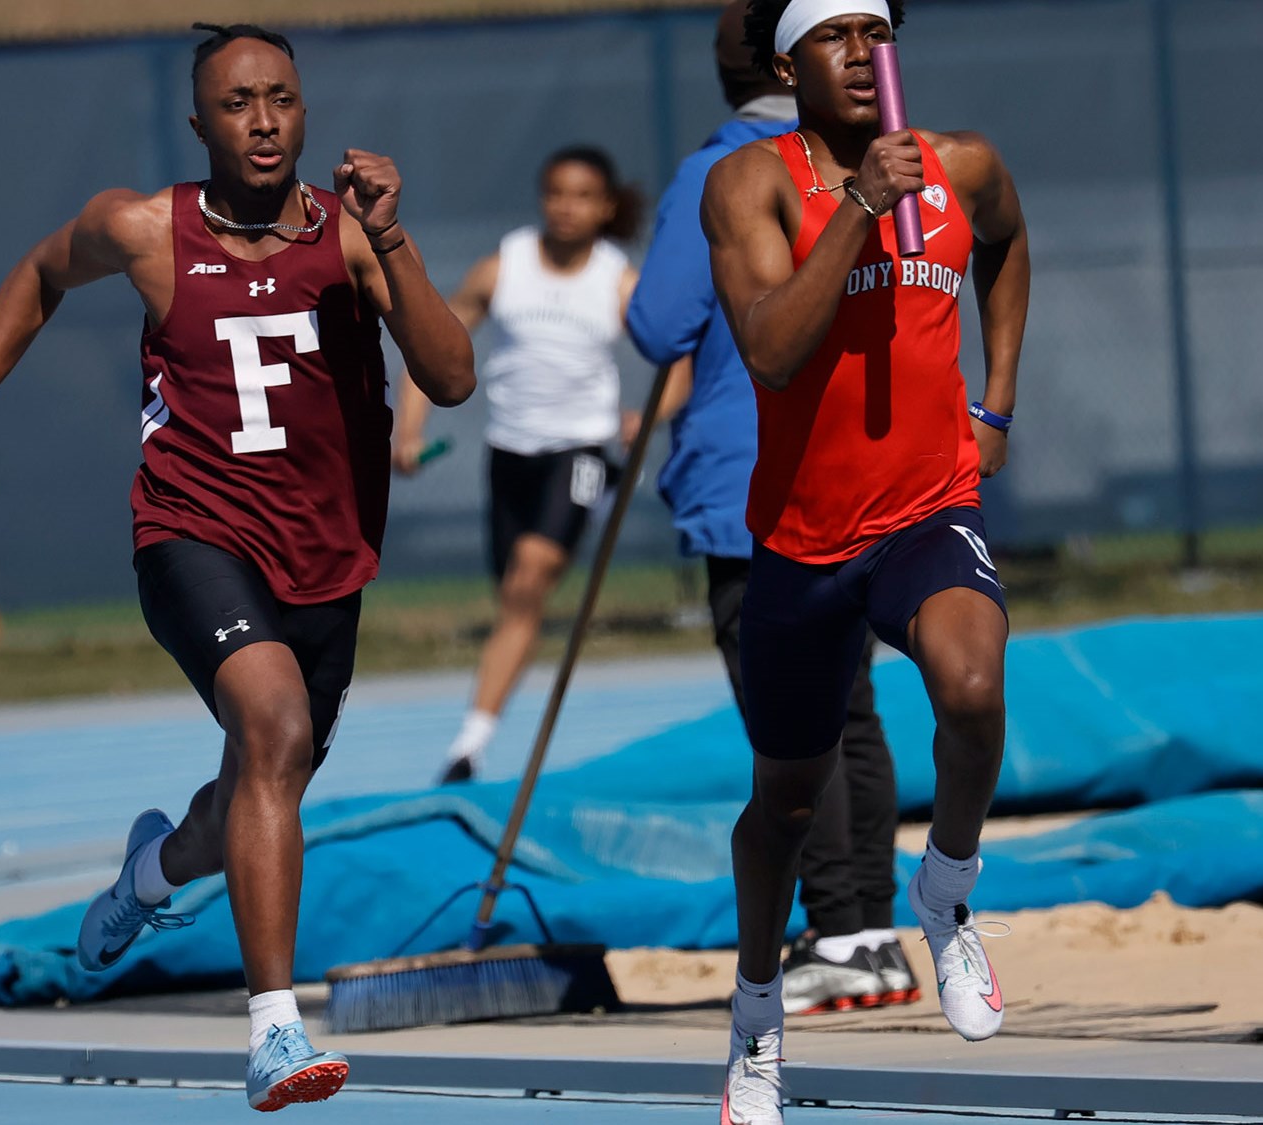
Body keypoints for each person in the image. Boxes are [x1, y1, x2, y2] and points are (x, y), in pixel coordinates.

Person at [0, 23, 474, 1112]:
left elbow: (449, 382)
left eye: (280, 100)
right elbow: (36, 275)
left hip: (326, 557)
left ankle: (153, 871)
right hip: (192, 533)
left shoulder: (350, 238)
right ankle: (274, 1033)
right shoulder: (141, 229)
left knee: (257, 791)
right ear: (198, 123)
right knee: (272, 730)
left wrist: (391, 240)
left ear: (303, 111)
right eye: (236, 104)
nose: (262, 123)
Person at [699, 2, 1030, 1121]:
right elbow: (772, 351)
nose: (859, 54)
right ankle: (753, 1014)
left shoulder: (960, 165)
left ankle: (944, 891)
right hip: (799, 538)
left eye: (876, 33)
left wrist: (997, 399)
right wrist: (856, 206)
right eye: (833, 35)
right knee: (784, 804)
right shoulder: (751, 184)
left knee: (971, 686)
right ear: (787, 59)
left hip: (926, 507)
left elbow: (1008, 243)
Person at [628, 0, 918, 1021]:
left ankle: (837, 928)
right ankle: (872, 932)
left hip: (749, 478)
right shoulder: (872, 157)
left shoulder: (725, 170)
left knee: (791, 721)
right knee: (850, 708)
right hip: (865, 466)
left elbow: (657, 322)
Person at [391, 146, 655, 785]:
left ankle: (468, 743)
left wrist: (647, 417)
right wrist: (409, 429)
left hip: (582, 448)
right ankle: (477, 740)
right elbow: (436, 345)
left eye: (584, 195)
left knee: (531, 577)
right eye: (556, 192)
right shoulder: (500, 267)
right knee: (514, 595)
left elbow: (679, 363)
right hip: (509, 451)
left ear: (606, 207)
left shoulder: (618, 281)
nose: (568, 207)